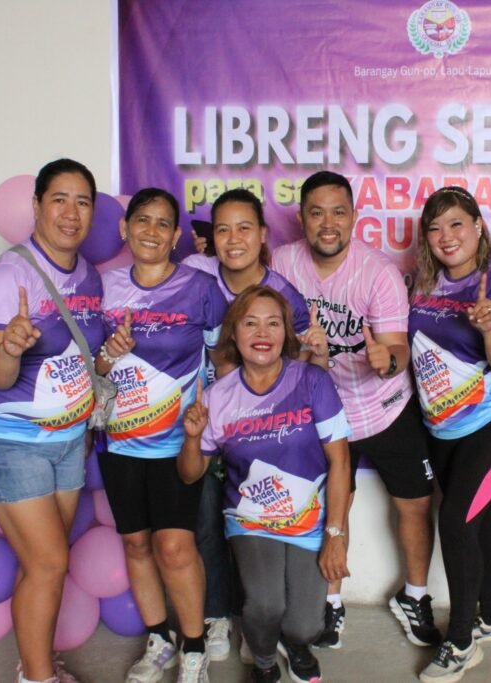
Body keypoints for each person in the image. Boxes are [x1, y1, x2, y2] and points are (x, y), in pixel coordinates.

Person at [272, 170, 440, 650]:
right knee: (329, 506)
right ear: (301, 218)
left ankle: (415, 595)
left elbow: (397, 349)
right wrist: (304, 354)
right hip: (319, 411)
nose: (328, 224)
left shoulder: (378, 272)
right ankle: (330, 602)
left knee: (415, 503)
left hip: (383, 406)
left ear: (354, 217)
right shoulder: (283, 262)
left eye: (338, 212)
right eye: (317, 213)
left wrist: (387, 362)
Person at [0, 158, 105, 683]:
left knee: (42, 564)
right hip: (14, 444)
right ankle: (39, 678)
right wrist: (8, 347)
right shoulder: (10, 276)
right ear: (36, 206)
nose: (71, 213)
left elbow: (82, 356)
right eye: (59, 199)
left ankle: (34, 662)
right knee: (49, 564)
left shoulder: (89, 274)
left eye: (82, 201)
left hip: (70, 441)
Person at [182, 188, 328, 662]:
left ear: (263, 234)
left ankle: (268, 623)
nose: (233, 239)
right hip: (206, 421)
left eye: (244, 228)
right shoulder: (197, 275)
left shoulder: (285, 295)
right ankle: (218, 614)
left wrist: (317, 357)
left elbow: (298, 372)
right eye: (222, 229)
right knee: (208, 523)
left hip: (262, 434)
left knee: (266, 524)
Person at [177, 286, 350, 683]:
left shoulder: (311, 380)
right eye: (250, 323)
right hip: (250, 517)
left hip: (308, 518)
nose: (262, 333)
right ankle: (265, 660)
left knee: (306, 626)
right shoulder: (218, 396)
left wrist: (336, 534)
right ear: (234, 333)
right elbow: (189, 474)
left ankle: (296, 644)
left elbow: (340, 461)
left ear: (286, 333)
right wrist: (192, 438)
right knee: (265, 605)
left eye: (273, 323)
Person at [94, 188, 228, 683]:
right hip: (119, 441)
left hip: (179, 441)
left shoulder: (200, 288)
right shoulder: (103, 287)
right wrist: (108, 355)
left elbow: (219, 360)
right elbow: (91, 371)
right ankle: (159, 640)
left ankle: (194, 647)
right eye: (142, 220)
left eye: (163, 223)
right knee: (136, 544)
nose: (151, 231)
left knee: (175, 547)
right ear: (125, 228)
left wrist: (211, 426)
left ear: (176, 236)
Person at [408, 187, 491, 683]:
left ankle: (461, 641)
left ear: (478, 226)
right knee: (482, 519)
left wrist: (489, 329)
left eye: (456, 223)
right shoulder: (426, 283)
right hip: (441, 427)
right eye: (435, 228)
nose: (446, 236)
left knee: (456, 521)